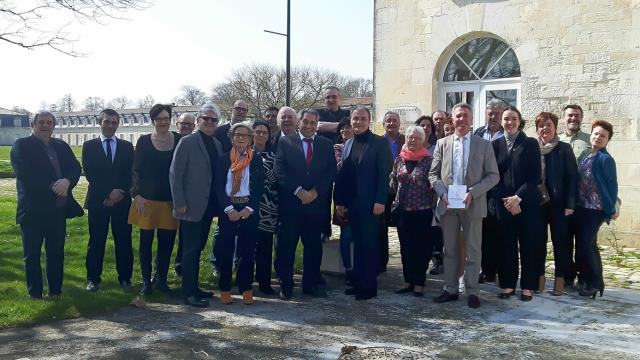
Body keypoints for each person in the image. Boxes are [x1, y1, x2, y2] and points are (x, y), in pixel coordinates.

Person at [428, 103, 499, 308]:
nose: (461, 119)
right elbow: (433, 174)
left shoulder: (483, 145)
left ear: (471, 119)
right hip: (448, 204)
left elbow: (493, 175)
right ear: (453, 119)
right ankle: (450, 289)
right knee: (449, 249)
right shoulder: (442, 143)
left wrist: (473, 192)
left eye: (465, 116)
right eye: (458, 116)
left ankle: (472, 291)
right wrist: (442, 193)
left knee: (473, 250)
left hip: (473, 204)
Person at [11, 111, 84, 298]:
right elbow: (25, 173)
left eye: (49, 122)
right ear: (33, 125)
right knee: (32, 255)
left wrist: (67, 181)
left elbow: (75, 167)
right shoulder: (22, 146)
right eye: (41, 122)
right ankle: (35, 293)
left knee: (56, 253)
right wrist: (53, 185)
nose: (45, 125)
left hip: (57, 210)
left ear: (54, 126)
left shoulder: (60, 145)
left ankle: (55, 291)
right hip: (33, 210)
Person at [274, 109, 336, 299]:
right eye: (305, 122)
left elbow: (330, 171)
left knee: (313, 249)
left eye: (313, 123)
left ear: (317, 125)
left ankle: (310, 284)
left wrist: (315, 191)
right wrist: (298, 191)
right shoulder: (285, 142)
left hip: (315, 207)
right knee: (286, 248)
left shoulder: (325, 144)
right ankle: (286, 285)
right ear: (299, 122)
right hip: (291, 206)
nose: (309, 126)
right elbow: (280, 170)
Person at [334, 107, 392, 300]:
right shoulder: (349, 143)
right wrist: (340, 202)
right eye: (355, 119)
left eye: (363, 119)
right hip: (352, 203)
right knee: (357, 244)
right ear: (351, 121)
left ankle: (369, 287)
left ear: (369, 121)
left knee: (369, 245)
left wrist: (380, 200)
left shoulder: (379, 143)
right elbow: (345, 175)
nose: (358, 122)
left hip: (371, 203)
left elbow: (385, 174)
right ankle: (358, 282)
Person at [169, 104, 222, 308]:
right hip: (190, 206)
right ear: (198, 120)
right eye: (205, 119)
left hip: (208, 206)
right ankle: (188, 292)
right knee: (190, 250)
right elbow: (175, 174)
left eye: (213, 120)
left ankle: (194, 287)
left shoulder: (216, 144)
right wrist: (179, 202)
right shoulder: (187, 142)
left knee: (198, 247)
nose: (209, 122)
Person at [129, 104, 181, 296]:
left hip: (170, 200)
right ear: (153, 121)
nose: (163, 122)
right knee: (145, 243)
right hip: (147, 200)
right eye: (159, 119)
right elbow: (135, 170)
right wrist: (137, 195)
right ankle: (145, 282)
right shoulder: (143, 141)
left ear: (171, 119)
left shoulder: (179, 140)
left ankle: (161, 279)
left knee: (166, 244)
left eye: (166, 118)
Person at [492, 106, 542, 302]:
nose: (509, 122)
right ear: (501, 121)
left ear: (520, 121)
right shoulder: (495, 145)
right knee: (506, 246)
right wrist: (506, 200)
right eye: (506, 119)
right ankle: (508, 284)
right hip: (504, 205)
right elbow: (493, 176)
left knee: (528, 245)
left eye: (513, 118)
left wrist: (517, 198)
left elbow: (535, 177)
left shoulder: (530, 143)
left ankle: (528, 286)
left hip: (526, 204)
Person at [82, 109, 134, 292]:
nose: (110, 125)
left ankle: (126, 278)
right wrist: (108, 194)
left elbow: (130, 174)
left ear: (118, 124)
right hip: (98, 201)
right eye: (107, 122)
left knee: (124, 240)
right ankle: (93, 279)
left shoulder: (127, 147)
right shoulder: (89, 146)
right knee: (96, 241)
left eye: (114, 122)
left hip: (122, 201)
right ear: (100, 123)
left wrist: (119, 193)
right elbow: (90, 173)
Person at [213, 123, 264, 305]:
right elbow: (218, 187)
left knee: (247, 251)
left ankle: (246, 288)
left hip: (248, 210)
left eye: (245, 135)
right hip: (228, 210)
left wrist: (249, 209)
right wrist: (229, 209)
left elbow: (259, 187)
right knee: (225, 251)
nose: (241, 138)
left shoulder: (256, 159)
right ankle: (225, 288)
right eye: (237, 135)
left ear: (251, 138)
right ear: (231, 137)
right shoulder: (223, 159)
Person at [390, 125, 437, 297]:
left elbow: (434, 186)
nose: (413, 140)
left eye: (417, 138)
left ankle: (419, 283)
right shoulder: (400, 159)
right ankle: (408, 280)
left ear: (423, 140)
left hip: (423, 212)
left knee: (422, 249)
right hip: (403, 211)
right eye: (410, 137)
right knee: (406, 248)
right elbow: (394, 181)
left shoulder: (429, 160)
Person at [535, 112, 577, 296]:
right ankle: (539, 279)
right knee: (538, 243)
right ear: (537, 129)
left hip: (559, 205)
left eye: (549, 125)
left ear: (555, 127)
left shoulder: (564, 148)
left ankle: (560, 280)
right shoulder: (533, 148)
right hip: (538, 205)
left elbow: (572, 178)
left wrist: (570, 203)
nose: (545, 128)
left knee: (560, 244)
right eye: (542, 125)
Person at [575, 120, 618, 298]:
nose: (598, 137)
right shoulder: (587, 155)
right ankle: (589, 280)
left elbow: (612, 185)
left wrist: (612, 208)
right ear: (591, 135)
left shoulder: (606, 159)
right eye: (596, 134)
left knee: (585, 244)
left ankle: (594, 282)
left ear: (607, 140)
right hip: (582, 207)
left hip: (596, 209)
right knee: (588, 244)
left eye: (603, 136)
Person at [558, 104, 591, 289]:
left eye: (577, 115)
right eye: (570, 115)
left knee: (584, 242)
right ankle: (568, 276)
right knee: (564, 241)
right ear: (564, 118)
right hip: (564, 200)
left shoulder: (590, 140)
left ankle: (585, 277)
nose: (573, 118)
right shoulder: (558, 140)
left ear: (581, 117)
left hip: (584, 200)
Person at [474, 99, 507, 284]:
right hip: (481, 190)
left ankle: (500, 271)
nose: (493, 116)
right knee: (483, 232)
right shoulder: (478, 133)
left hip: (500, 190)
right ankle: (486, 270)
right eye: (490, 113)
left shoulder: (508, 134)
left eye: (497, 113)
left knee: (499, 232)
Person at [252, 120, 279, 295]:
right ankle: (244, 281)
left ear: (269, 136)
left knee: (265, 247)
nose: (261, 135)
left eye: (264, 132)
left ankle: (264, 282)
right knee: (245, 247)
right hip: (246, 206)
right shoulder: (241, 153)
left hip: (268, 207)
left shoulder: (274, 157)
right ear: (252, 134)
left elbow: (276, 181)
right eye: (258, 131)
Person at [333, 117, 355, 285]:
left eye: (348, 127)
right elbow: (338, 170)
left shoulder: (363, 146)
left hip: (361, 199)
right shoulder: (336, 149)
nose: (345, 131)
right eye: (342, 128)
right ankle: (348, 269)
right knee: (346, 236)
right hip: (343, 197)